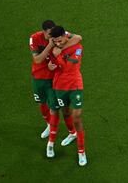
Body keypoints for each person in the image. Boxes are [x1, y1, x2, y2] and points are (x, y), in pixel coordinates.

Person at [29, 20, 81, 139]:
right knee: (42, 102)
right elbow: (37, 60)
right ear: (43, 32)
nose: (53, 38)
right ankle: (49, 125)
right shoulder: (34, 38)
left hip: (55, 77)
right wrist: (50, 46)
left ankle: (71, 132)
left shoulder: (57, 34)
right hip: (39, 76)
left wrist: (61, 47)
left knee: (59, 108)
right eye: (49, 35)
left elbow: (78, 37)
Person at [46, 26, 87, 166]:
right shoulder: (55, 47)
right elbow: (54, 65)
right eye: (55, 42)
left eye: (59, 40)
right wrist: (52, 66)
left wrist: (58, 55)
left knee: (76, 117)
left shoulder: (78, 48)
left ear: (65, 36)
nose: (57, 43)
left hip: (75, 86)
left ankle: (81, 151)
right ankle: (72, 133)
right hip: (59, 86)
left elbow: (70, 68)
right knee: (65, 112)